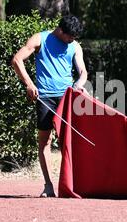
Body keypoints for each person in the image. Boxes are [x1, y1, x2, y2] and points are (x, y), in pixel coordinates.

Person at [11, 15, 87, 198]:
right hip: (45, 98)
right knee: (44, 141)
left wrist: (78, 85)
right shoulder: (40, 39)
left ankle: (70, 184)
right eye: (70, 37)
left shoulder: (75, 46)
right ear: (61, 31)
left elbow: (83, 72)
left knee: (68, 142)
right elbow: (17, 60)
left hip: (67, 98)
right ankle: (48, 185)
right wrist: (29, 84)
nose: (72, 40)